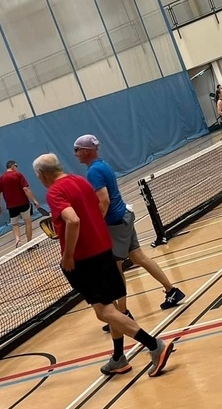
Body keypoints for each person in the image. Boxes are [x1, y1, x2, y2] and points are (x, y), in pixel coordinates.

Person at [33, 153, 175, 377]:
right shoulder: (81, 181)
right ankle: (119, 358)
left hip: (84, 259)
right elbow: (100, 206)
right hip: (104, 250)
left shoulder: (55, 192)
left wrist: (68, 255)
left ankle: (155, 346)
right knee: (112, 306)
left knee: (104, 311)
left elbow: (73, 219)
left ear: (41, 175)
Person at [73, 133, 185, 314]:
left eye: (77, 149)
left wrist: (95, 226)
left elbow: (104, 201)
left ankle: (122, 314)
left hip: (115, 223)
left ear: (86, 151)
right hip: (124, 216)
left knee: (115, 270)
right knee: (138, 257)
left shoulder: (93, 171)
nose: (75, 153)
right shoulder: (103, 165)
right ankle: (172, 291)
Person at [0, 161, 42, 249]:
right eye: (16, 166)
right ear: (13, 166)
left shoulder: (1, 178)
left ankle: (18, 240)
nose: (17, 168)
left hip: (11, 207)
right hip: (23, 203)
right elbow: (26, 189)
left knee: (15, 224)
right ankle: (30, 242)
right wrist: (34, 201)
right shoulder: (18, 175)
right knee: (27, 221)